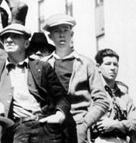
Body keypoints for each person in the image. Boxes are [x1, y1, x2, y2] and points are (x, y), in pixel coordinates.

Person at [0, 23, 70, 143]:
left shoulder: (41, 67)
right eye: (5, 37)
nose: (9, 40)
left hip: (45, 127)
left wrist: (59, 115)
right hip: (15, 130)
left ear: (26, 44)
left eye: (15, 36)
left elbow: (62, 97)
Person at [44, 14, 109, 143]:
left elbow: (102, 101)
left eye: (65, 30)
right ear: (50, 36)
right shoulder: (43, 65)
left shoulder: (86, 64)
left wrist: (85, 123)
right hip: (52, 127)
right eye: (56, 31)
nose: (62, 35)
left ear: (71, 34)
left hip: (78, 126)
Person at [91, 48, 136, 143]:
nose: (112, 68)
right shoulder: (92, 93)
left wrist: (114, 124)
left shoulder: (124, 96)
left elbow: (135, 125)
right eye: (108, 64)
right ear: (98, 67)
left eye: (115, 64)